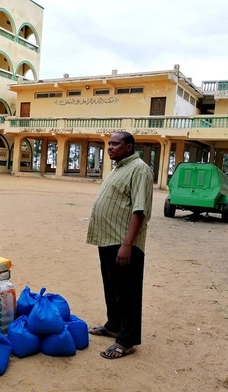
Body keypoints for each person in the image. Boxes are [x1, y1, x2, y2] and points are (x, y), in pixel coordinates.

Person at [86, 131, 153, 359]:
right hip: (107, 238)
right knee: (112, 288)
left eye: (115, 144)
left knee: (128, 292)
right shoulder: (119, 167)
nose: (110, 147)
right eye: (109, 143)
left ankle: (126, 341)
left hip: (124, 243)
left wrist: (127, 244)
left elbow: (139, 210)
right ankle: (114, 325)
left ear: (129, 147)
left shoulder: (140, 169)